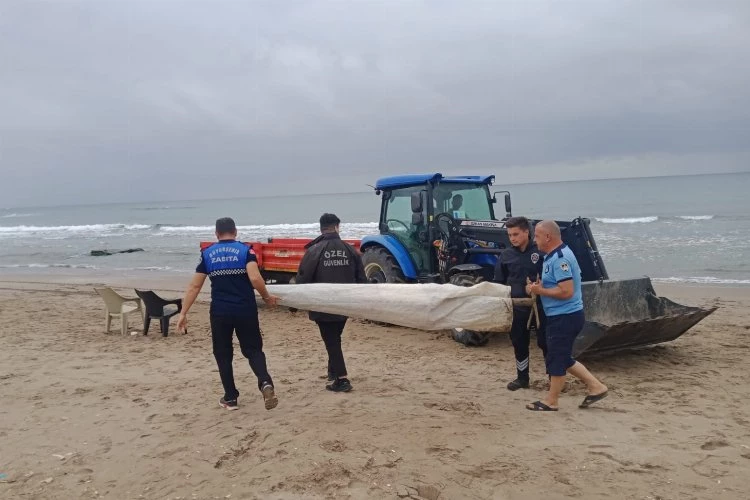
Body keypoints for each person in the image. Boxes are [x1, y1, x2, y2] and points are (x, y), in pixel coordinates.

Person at [177, 217, 280, 411]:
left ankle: (230, 397)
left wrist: (183, 312)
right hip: (245, 309)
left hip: (220, 311)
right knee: (253, 350)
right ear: (235, 231)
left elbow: (195, 286)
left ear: (216, 234)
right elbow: (255, 278)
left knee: (223, 353)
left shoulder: (207, 254)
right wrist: (266, 296)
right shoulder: (245, 250)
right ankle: (265, 382)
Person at [525, 220, 608, 411]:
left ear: (548, 237)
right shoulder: (552, 256)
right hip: (561, 315)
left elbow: (566, 291)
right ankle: (596, 386)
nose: (534, 239)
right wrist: (539, 287)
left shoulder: (561, 258)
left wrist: (540, 291)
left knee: (556, 358)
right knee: (562, 357)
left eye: (536, 235)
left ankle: (551, 401)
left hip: (565, 316)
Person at [295, 213, 367, 393]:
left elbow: (303, 278)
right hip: (344, 304)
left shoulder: (314, 250)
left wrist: (294, 302)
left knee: (331, 341)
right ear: (337, 226)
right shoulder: (350, 250)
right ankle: (333, 372)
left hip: (322, 304)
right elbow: (362, 279)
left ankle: (342, 379)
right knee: (334, 337)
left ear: (321, 228)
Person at [494, 216, 547, 391]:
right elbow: (499, 283)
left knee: (545, 342)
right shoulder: (506, 255)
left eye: (516, 234)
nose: (512, 238)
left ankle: (553, 378)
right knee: (519, 342)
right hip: (517, 308)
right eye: (510, 235)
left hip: (541, 307)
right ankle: (522, 378)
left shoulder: (541, 252)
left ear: (527, 232)